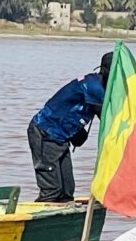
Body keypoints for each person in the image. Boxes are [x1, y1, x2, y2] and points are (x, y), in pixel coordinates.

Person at [28, 51, 112, 202]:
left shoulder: (101, 86)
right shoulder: (94, 86)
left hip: (60, 136)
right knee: (52, 190)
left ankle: (64, 221)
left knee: (66, 191)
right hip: (46, 131)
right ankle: (39, 222)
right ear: (104, 70)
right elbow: (107, 119)